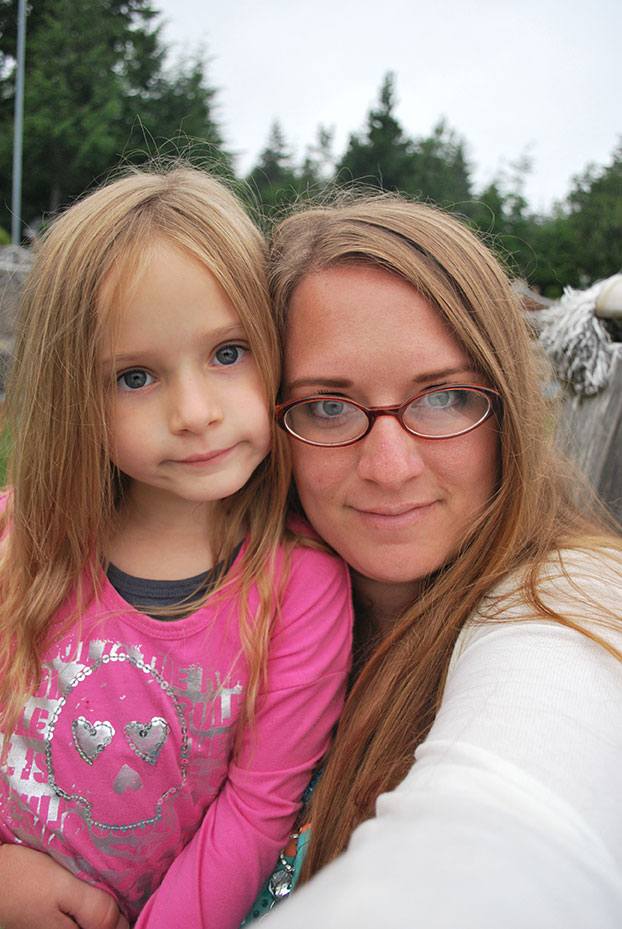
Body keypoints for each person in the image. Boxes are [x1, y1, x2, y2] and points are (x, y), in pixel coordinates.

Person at [0, 168, 352, 929]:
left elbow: (257, 808)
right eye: (135, 376)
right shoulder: (18, 539)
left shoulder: (301, 588)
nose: (194, 412)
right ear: (74, 394)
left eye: (228, 353)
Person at [258, 194, 622, 928]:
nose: (390, 467)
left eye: (445, 397)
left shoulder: (570, 599)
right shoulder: (234, 605)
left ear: (507, 408)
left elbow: (509, 831)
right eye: (328, 406)